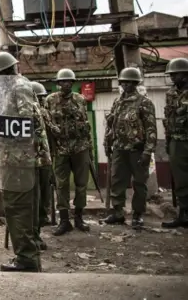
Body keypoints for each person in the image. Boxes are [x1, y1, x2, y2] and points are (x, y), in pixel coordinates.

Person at [0, 52, 45, 272]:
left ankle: (26, 259)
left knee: (18, 208)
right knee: (20, 208)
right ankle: (29, 257)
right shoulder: (19, 87)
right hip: (17, 159)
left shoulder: (18, 87)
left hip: (18, 160)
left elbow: (24, 123)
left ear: (5, 73)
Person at [103, 67, 157, 228]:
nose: (126, 85)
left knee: (140, 183)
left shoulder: (144, 102)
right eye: (123, 82)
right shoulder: (118, 102)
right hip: (120, 148)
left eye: (129, 82)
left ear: (135, 83)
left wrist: (148, 151)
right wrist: (107, 143)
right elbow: (111, 126)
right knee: (117, 181)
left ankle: (138, 214)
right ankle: (118, 212)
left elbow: (151, 129)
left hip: (137, 149)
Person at [44, 68, 92, 236]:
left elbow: (86, 126)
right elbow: (47, 128)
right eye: (63, 81)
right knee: (61, 185)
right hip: (61, 149)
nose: (66, 84)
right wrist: (49, 152)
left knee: (81, 184)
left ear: (73, 83)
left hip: (80, 148)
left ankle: (78, 217)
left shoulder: (80, 100)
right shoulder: (50, 100)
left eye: (69, 81)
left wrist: (90, 149)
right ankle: (64, 220)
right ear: (58, 84)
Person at [162, 58, 188, 228]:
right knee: (181, 180)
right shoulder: (171, 94)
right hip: (177, 141)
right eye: (170, 74)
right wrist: (168, 139)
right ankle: (183, 215)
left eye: (175, 74)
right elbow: (169, 118)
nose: (172, 77)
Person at [30, 81, 55, 246]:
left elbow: (51, 136)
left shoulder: (44, 114)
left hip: (45, 161)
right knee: (34, 200)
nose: (41, 102)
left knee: (44, 200)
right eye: (38, 98)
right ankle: (34, 235)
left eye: (42, 98)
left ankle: (38, 231)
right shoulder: (26, 112)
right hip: (31, 163)